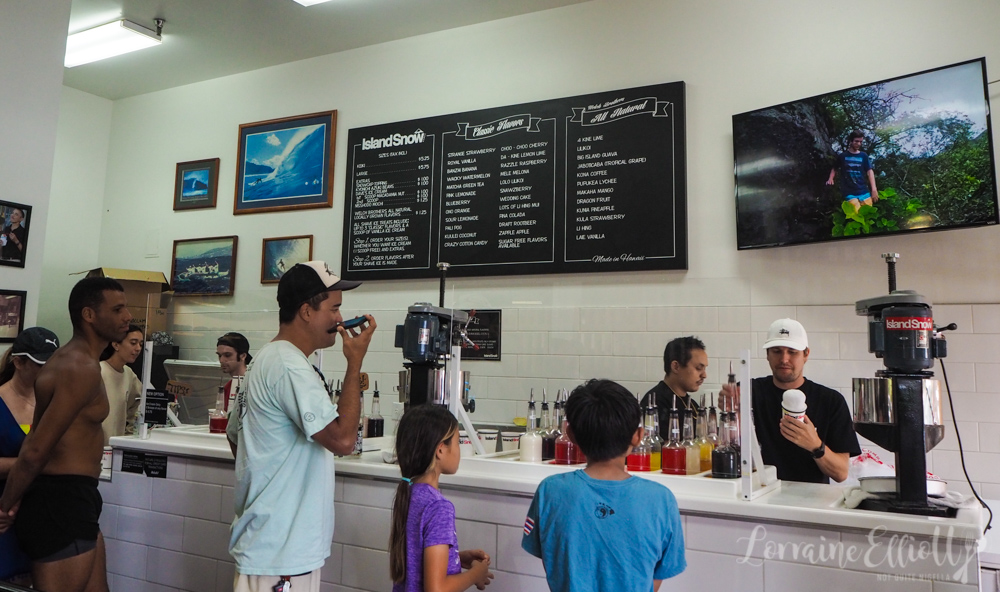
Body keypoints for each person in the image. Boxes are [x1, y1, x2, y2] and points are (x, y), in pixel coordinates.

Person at [226, 261, 376, 592]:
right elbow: (343, 440)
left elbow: (235, 435)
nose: (339, 319)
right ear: (307, 311)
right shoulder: (290, 366)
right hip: (281, 550)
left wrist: (267, 473)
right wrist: (355, 364)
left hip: (272, 543)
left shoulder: (266, 359)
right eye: (334, 308)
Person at [0, 276, 133, 592]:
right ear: (89, 315)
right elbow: (35, 449)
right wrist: (6, 505)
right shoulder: (78, 367)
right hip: (61, 502)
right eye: (117, 309)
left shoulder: (79, 361)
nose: (127, 316)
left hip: (76, 499)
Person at [522, 379, 686, 592]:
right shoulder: (661, 499)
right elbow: (657, 575)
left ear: (569, 434)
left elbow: (550, 559)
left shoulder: (550, 491)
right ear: (638, 436)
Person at [723, 318, 861, 484]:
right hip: (758, 495)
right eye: (776, 351)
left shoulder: (831, 401)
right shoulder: (748, 391)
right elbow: (728, 446)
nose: (784, 359)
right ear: (767, 355)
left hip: (809, 502)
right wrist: (730, 413)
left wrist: (815, 445)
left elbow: (841, 473)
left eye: (792, 351)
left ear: (806, 354)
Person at [389, 405, 494, 592]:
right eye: (456, 442)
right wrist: (474, 575)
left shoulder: (409, 492)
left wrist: (456, 557)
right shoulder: (438, 507)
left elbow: (417, 559)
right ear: (440, 450)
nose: (459, 449)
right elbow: (436, 589)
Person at [0, 327, 60, 585]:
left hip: (41, 510)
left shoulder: (56, 403)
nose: (49, 372)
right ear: (18, 362)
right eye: (41, 365)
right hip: (4, 512)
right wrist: (29, 464)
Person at [640, 336, 707, 428]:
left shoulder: (693, 405)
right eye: (699, 368)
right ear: (676, 367)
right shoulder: (655, 404)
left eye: (704, 368)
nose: (704, 375)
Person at [99, 325, 144, 445]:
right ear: (116, 344)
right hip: (95, 448)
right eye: (133, 343)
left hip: (116, 447)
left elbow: (138, 404)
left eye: (140, 343)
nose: (138, 348)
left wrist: (129, 434)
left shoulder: (129, 374)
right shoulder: (99, 371)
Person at [826, 130, 879, 214]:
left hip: (863, 190)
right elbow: (834, 168)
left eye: (860, 142)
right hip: (849, 192)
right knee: (857, 214)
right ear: (851, 141)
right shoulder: (843, 156)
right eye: (856, 141)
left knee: (868, 215)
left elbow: (870, 171)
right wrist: (830, 178)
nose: (858, 144)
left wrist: (874, 189)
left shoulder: (863, 156)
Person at [216, 332, 251, 411]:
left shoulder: (253, 384)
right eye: (219, 355)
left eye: (227, 355)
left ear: (243, 356)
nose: (221, 360)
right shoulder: (228, 387)